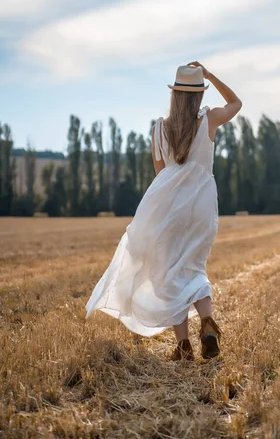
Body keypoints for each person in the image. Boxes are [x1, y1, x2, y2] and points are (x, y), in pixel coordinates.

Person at [85, 62, 242, 361]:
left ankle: (183, 347)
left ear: (174, 95)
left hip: (168, 206)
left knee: (171, 272)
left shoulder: (159, 129)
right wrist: (210, 76)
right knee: (194, 267)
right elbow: (236, 103)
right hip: (201, 204)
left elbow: (161, 177)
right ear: (198, 95)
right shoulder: (208, 121)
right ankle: (207, 323)